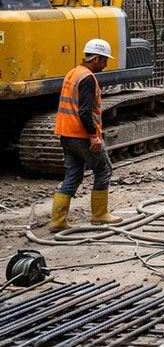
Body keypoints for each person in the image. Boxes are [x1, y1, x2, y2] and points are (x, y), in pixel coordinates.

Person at [49, 39, 122, 233]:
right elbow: (84, 112)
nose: (105, 65)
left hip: (66, 134)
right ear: (96, 58)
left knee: (73, 173)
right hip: (81, 135)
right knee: (104, 170)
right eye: (104, 60)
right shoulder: (87, 78)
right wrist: (94, 136)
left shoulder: (73, 73)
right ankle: (99, 215)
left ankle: (58, 220)